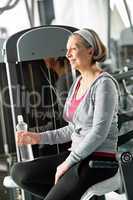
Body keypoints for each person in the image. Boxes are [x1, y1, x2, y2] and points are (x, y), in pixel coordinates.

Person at [11, 28, 119, 200]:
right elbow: (71, 130)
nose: (67, 54)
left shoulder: (104, 84)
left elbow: (99, 133)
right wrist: (38, 137)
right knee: (19, 172)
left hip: (98, 161)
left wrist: (67, 163)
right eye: (67, 49)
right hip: (77, 155)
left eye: (73, 48)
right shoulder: (78, 83)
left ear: (90, 50)